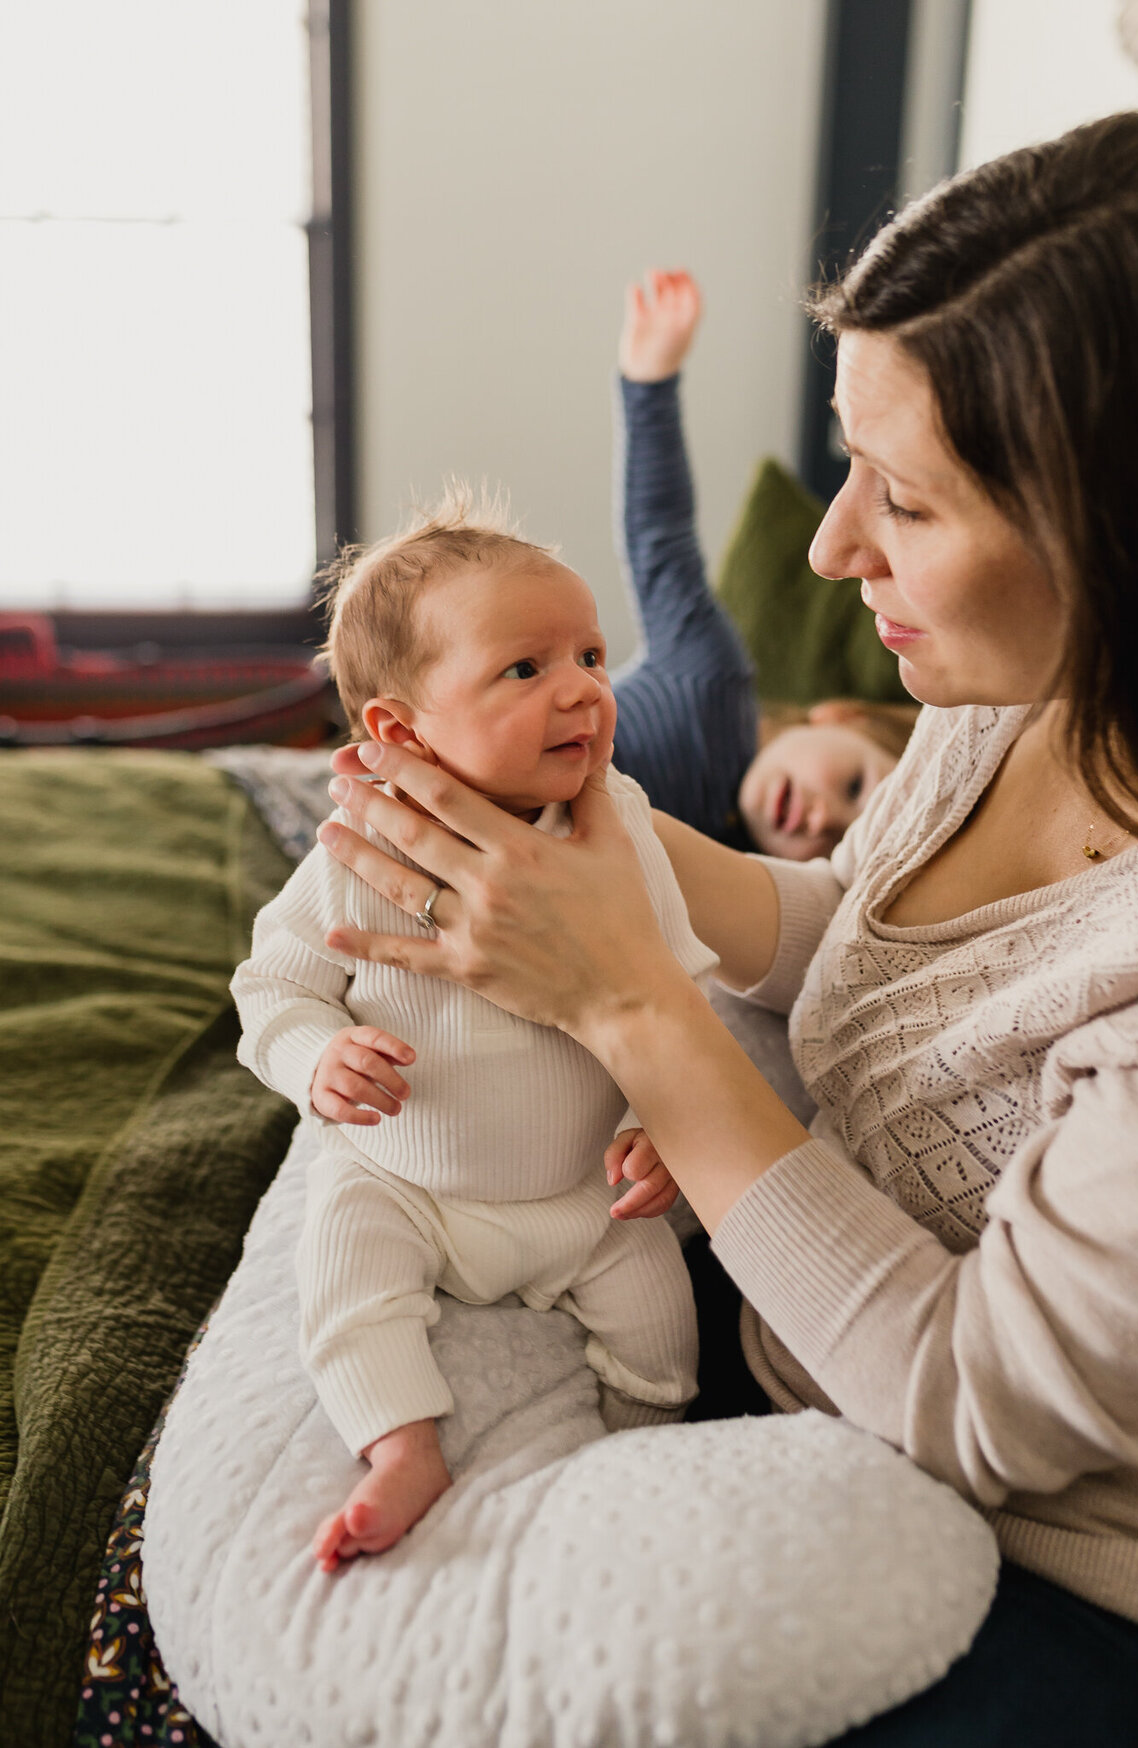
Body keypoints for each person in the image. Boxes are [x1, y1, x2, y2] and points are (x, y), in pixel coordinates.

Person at [316, 109, 1138, 1741]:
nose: (829, 542)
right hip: (795, 1366)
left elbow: (972, 1399)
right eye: (845, 458)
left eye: (907, 501)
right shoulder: (1014, 683)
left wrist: (632, 1000)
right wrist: (605, 852)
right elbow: (884, 951)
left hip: (1063, 1581)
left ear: (1132, 542)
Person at [231, 502, 717, 1571]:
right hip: (410, 1179)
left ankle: (648, 1444)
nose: (587, 686)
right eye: (526, 668)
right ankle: (401, 1444)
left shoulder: (617, 824)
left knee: (663, 1318)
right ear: (401, 732)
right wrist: (317, 1057)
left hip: (583, 1189)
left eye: (591, 653)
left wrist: (656, 1116)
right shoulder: (362, 847)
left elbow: (680, 979)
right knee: (344, 1264)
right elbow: (272, 986)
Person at [612, 266, 916, 860]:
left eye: (837, 846)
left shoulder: (735, 867)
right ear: (838, 715)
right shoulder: (708, 677)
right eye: (854, 786)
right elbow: (659, 539)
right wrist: (649, 382)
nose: (823, 819)